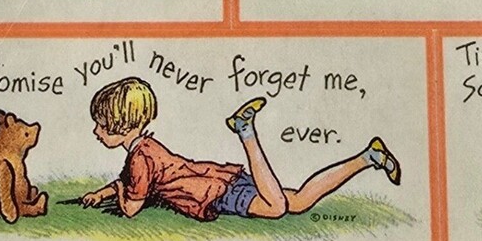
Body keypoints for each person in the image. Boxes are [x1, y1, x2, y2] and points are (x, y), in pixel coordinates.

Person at [80, 77, 399, 221]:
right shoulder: (147, 148)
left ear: (121, 126)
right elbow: (130, 181)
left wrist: (119, 193)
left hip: (214, 194)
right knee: (299, 200)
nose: (95, 131)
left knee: (277, 208)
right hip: (223, 179)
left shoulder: (139, 159)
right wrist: (102, 192)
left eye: (101, 125)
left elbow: (131, 207)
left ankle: (245, 130)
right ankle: (368, 157)